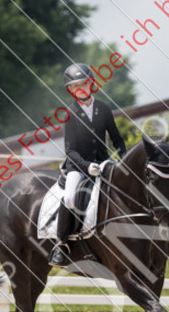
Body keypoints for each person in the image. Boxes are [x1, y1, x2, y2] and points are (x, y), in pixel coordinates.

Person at [49, 63, 127, 267]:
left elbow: (117, 139)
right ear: (71, 90)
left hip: (104, 162)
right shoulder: (70, 114)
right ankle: (61, 244)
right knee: (69, 198)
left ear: (91, 84)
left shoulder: (104, 109)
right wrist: (86, 167)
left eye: (84, 83)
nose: (81, 88)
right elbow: (70, 150)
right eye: (76, 86)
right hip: (78, 166)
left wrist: (123, 158)